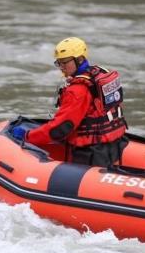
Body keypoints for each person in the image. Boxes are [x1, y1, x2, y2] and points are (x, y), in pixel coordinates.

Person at [8, 37, 128, 167]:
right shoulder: (101, 74)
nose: (61, 67)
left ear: (80, 59)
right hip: (114, 144)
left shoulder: (78, 90)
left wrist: (27, 136)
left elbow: (60, 128)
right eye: (58, 63)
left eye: (65, 62)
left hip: (91, 153)